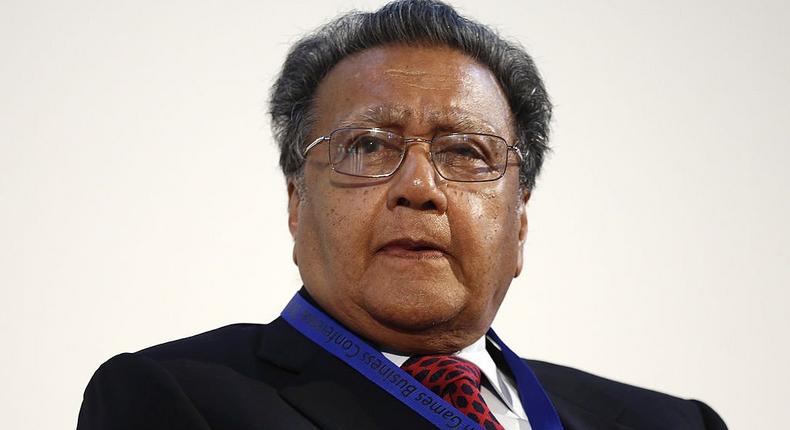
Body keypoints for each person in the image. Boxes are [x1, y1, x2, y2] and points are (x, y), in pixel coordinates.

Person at [77, 1, 727, 429]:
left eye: (466, 151)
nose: (418, 186)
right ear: (296, 203)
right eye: (367, 146)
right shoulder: (174, 399)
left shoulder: (673, 424)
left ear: (521, 220)